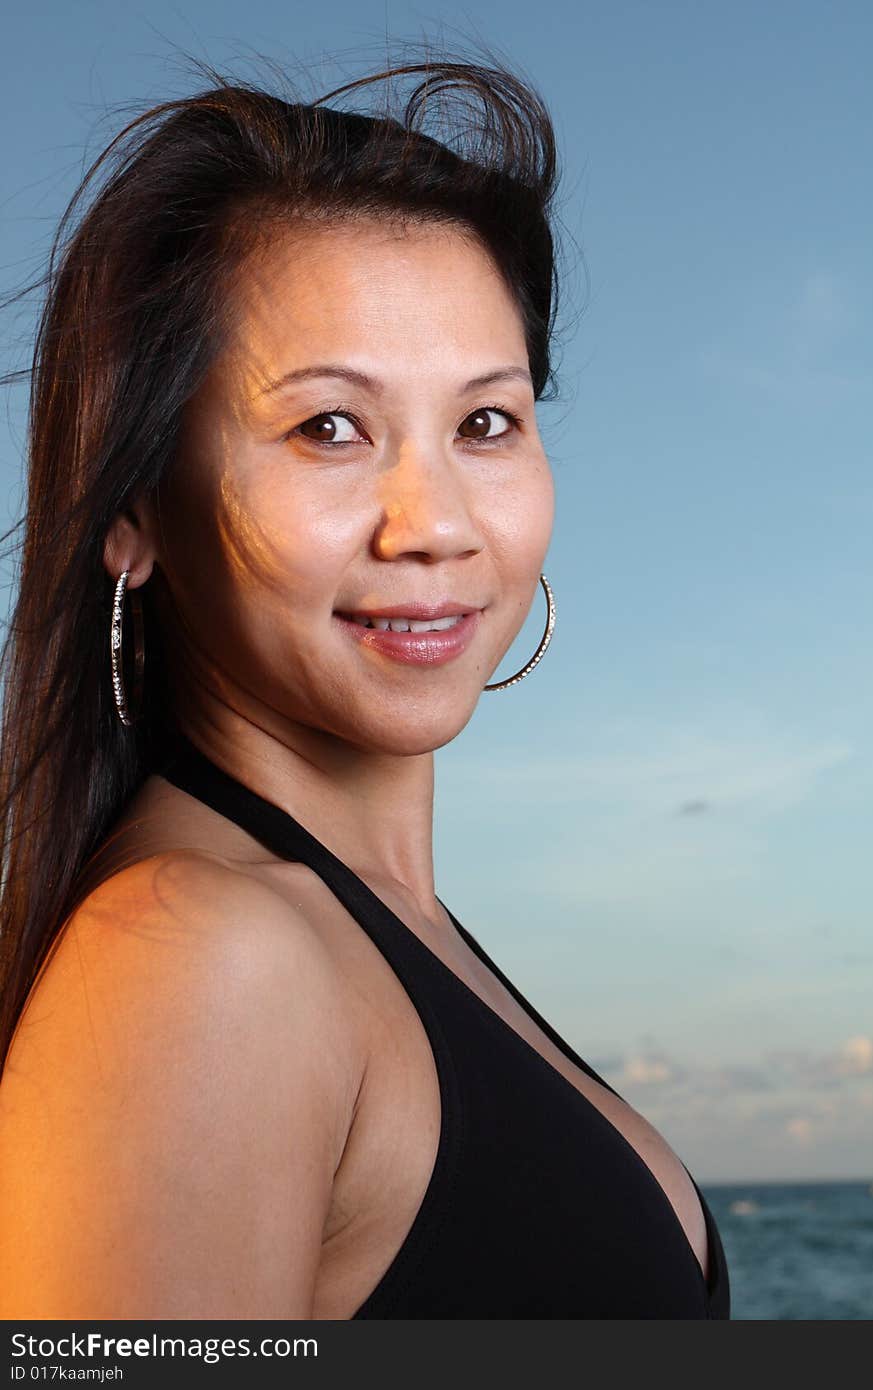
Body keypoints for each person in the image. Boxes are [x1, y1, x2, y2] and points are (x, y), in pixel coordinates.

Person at [0, 51, 730, 1319]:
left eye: (485, 423)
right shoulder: (203, 963)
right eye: (328, 427)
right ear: (133, 506)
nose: (433, 522)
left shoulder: (371, 933)